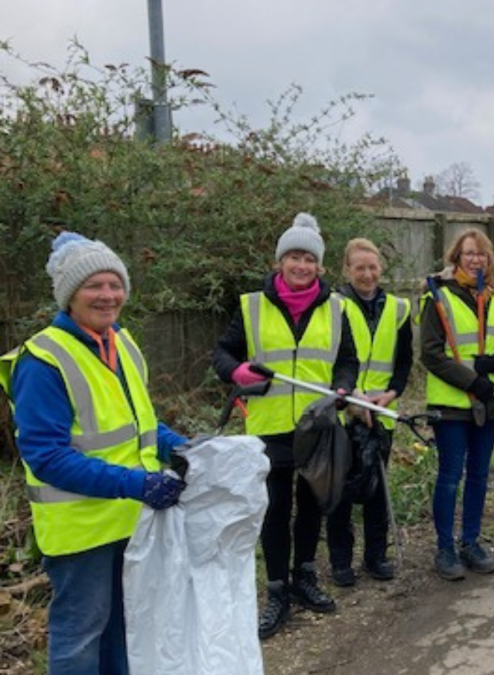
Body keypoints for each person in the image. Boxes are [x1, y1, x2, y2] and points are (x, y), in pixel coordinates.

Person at [0, 232, 188, 674]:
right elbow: (46, 456)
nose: (108, 295)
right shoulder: (43, 360)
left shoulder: (122, 342)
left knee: (125, 629)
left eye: (115, 284)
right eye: (94, 286)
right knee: (80, 636)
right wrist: (138, 483)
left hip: (129, 518)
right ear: (69, 296)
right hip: (81, 529)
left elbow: (141, 423)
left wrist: (179, 446)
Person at [212, 213, 359, 639]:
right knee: (275, 510)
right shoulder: (252, 305)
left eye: (309, 259)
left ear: (320, 266)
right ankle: (277, 589)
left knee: (312, 503)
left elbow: (347, 359)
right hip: (270, 425)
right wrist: (236, 373)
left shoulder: (335, 308)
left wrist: (344, 387)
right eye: (293, 257)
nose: (301, 266)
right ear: (280, 262)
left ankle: (305, 576)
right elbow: (222, 352)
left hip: (317, 426)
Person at [419, 228, 494, 581]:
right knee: (449, 476)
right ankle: (444, 547)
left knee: (479, 476)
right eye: (469, 253)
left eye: (481, 254)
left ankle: (470, 541)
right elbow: (430, 353)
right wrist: (472, 380)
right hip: (453, 404)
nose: (476, 259)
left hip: (490, 403)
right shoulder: (438, 298)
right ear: (456, 258)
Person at [326, 238, 413, 587]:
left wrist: (391, 394)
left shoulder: (398, 308)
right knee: (341, 489)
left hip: (381, 410)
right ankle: (340, 560)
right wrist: (350, 398)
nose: (367, 273)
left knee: (377, 485)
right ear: (347, 270)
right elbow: (330, 358)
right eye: (359, 267)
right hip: (344, 409)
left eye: (372, 267)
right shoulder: (333, 306)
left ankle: (376, 556)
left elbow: (404, 360)